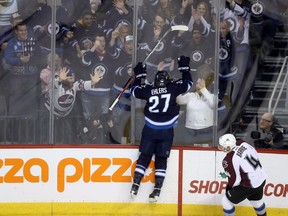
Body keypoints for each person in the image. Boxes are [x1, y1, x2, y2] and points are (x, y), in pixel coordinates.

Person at [129, 55, 193, 202]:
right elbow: (188, 83)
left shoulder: (148, 89)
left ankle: (135, 186)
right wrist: (184, 69)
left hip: (150, 129)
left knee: (144, 156)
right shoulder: (173, 87)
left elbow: (134, 91)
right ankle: (157, 191)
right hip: (166, 131)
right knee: (161, 158)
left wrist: (139, 76)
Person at [218, 133, 268, 216]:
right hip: (261, 178)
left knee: (226, 201)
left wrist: (231, 190)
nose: (220, 147)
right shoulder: (242, 143)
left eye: (222, 146)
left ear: (228, 147)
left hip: (249, 185)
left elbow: (235, 181)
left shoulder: (228, 160)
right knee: (256, 202)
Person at [176, 77, 214, 145]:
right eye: (197, 83)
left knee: (205, 152)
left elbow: (213, 104)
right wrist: (176, 87)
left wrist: (203, 90)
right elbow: (179, 100)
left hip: (206, 130)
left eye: (201, 84)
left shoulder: (212, 96)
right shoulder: (190, 96)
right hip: (190, 130)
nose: (198, 85)